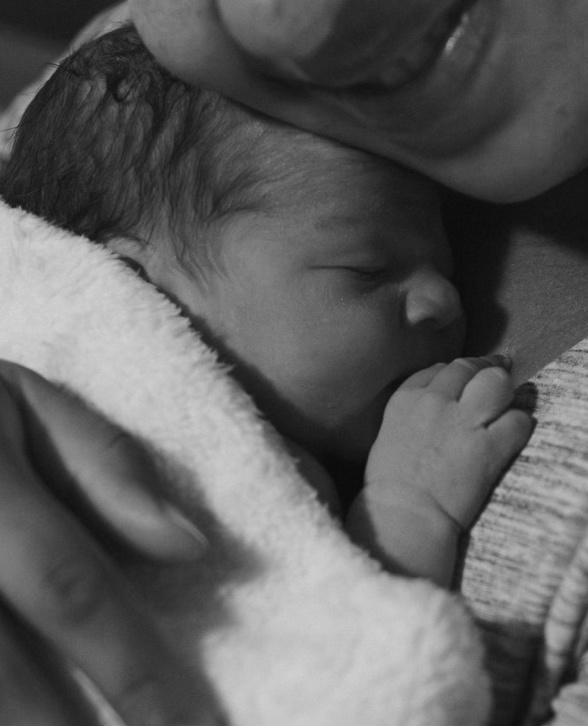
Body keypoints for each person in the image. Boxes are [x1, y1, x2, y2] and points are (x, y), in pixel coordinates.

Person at [0, 22, 530, 590]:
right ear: (144, 292)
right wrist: (408, 510)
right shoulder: (153, 460)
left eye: (445, 265)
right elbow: (318, 639)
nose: (444, 299)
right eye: (367, 268)